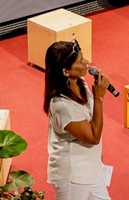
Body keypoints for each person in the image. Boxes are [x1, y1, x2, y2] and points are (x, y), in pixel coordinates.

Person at [43, 40, 111, 199]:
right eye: (80, 61)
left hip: (91, 166)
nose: (87, 63)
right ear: (66, 71)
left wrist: (97, 158)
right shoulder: (62, 105)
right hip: (73, 174)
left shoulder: (79, 83)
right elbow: (93, 137)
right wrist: (99, 98)